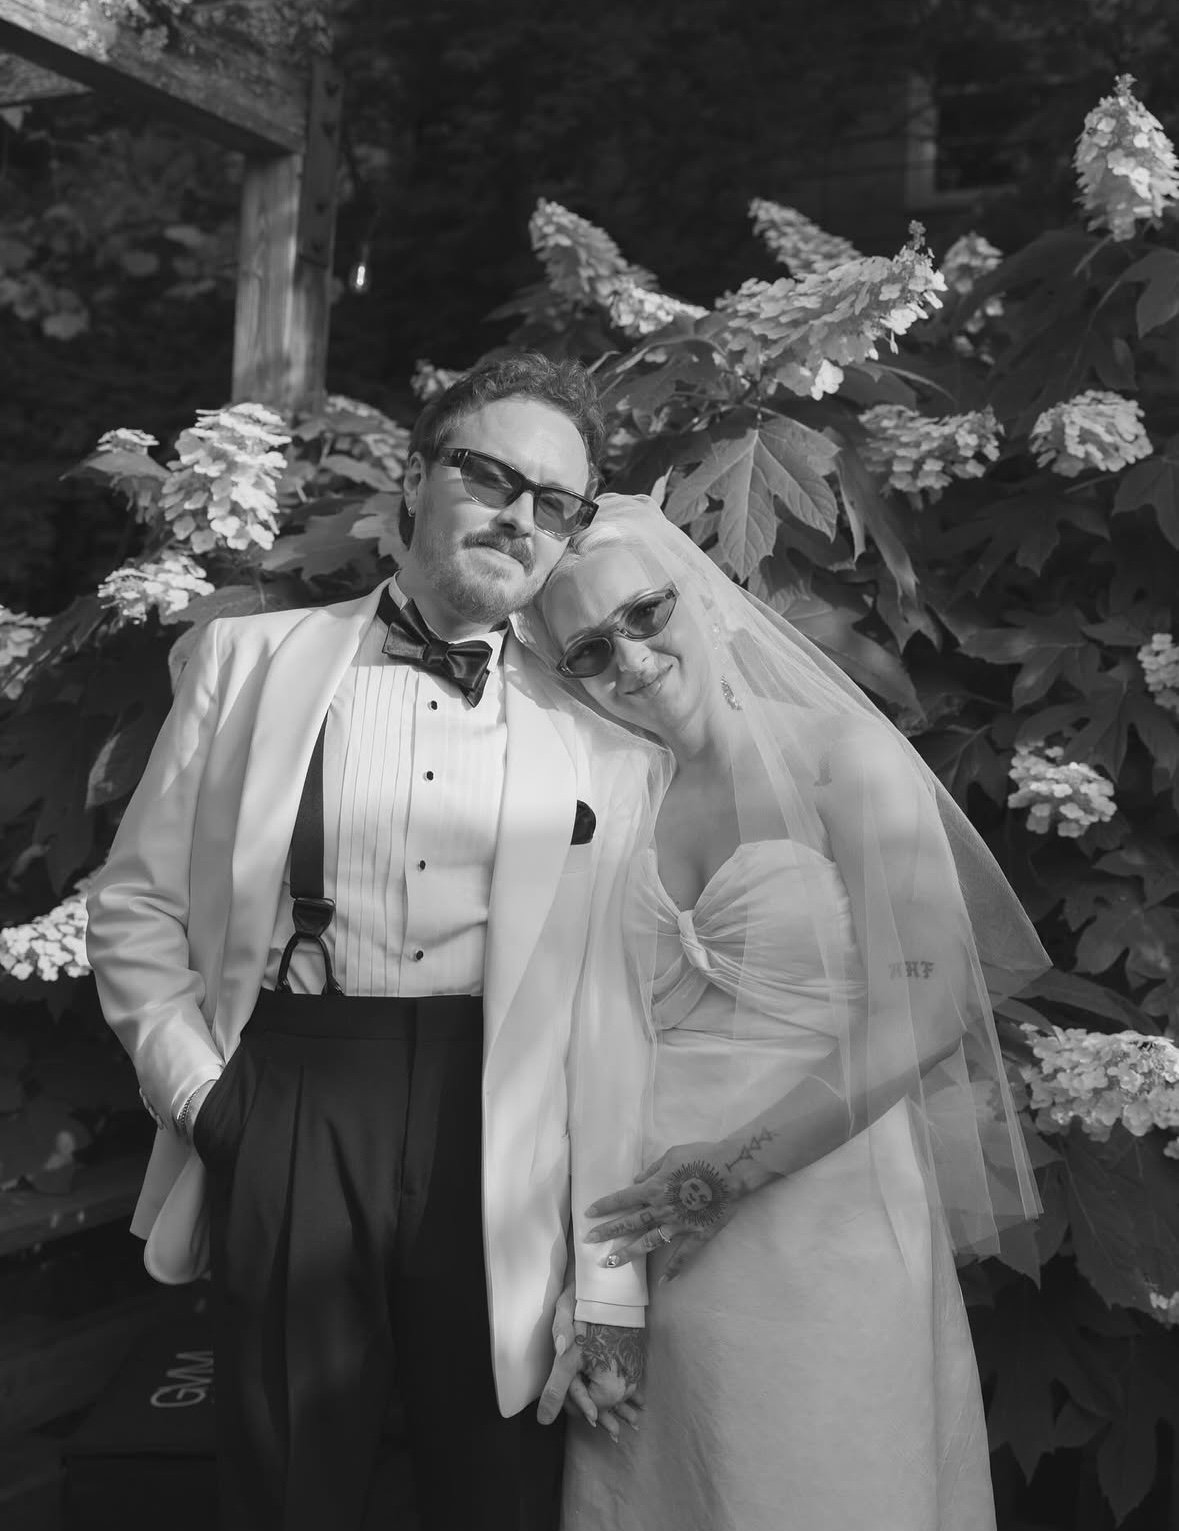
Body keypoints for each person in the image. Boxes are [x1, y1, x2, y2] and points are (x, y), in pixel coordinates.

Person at [84, 356, 651, 1531]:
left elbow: (610, 1015)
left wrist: (605, 1279)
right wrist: (207, 1098)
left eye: (557, 504)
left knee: (498, 1493)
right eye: (492, 476)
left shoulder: (596, 736)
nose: (520, 517)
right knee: (288, 1487)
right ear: (415, 478)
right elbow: (135, 902)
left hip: (499, 1122)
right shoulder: (249, 664)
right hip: (289, 1092)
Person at [526, 492, 1051, 1531]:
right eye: (588, 651)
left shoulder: (840, 760)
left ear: (710, 602)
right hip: (647, 1229)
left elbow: (930, 1002)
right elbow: (578, 1050)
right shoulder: (603, 799)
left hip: (826, 1205)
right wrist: (597, 1286)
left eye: (645, 614)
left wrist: (727, 1172)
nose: (629, 659)